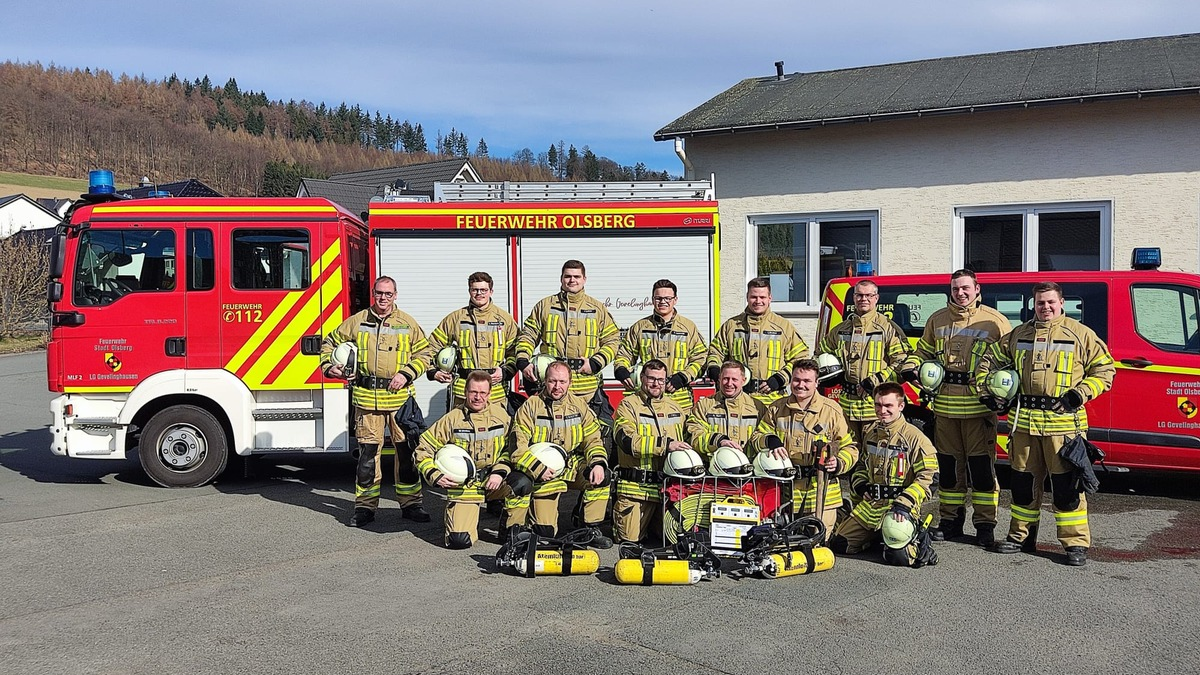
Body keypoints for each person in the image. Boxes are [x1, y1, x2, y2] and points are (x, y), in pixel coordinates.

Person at [977, 282, 1115, 566]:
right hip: (1024, 425)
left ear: (1062, 303)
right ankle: (1020, 536)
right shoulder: (1019, 334)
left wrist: (1080, 394)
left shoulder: (1080, 334)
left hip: (1063, 426)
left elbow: (1105, 370)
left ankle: (1075, 545)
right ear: (1033, 304)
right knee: (1023, 485)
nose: (1046, 307)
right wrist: (990, 393)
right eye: (1040, 303)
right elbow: (988, 361)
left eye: (1051, 302)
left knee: (1067, 489)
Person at [900, 269, 1011, 546]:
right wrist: (912, 368)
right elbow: (922, 350)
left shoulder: (994, 321)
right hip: (945, 408)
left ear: (976, 288)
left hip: (978, 409)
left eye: (965, 288)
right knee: (948, 468)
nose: (960, 293)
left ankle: (985, 525)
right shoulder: (937, 319)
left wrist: (1002, 394)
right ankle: (950, 521)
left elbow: (1008, 361)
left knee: (982, 470)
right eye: (955, 289)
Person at [321, 276, 432, 527]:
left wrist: (406, 373)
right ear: (373, 293)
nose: (383, 298)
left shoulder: (406, 323)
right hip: (366, 400)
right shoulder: (358, 321)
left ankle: (412, 504)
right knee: (368, 459)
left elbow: (426, 353)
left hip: (399, 400)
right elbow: (328, 343)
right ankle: (365, 508)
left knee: (407, 455)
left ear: (396, 295)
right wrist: (331, 367)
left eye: (388, 294)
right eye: (379, 293)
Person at [506, 361, 612, 548]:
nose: (557, 387)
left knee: (601, 477)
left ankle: (590, 527)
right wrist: (537, 469)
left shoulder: (579, 406)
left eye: (562, 382)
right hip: (543, 471)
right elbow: (517, 447)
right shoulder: (531, 407)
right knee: (545, 533)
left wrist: (597, 463)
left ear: (570, 382)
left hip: (572, 465)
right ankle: (519, 523)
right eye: (553, 381)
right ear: (545, 381)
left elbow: (593, 439)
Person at [830, 383, 938, 566]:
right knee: (840, 544)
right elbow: (862, 467)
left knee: (898, 558)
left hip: (899, 508)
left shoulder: (915, 438)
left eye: (888, 406)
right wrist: (861, 485)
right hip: (872, 506)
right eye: (878, 405)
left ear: (901, 406)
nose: (883, 410)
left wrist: (904, 504)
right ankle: (876, 536)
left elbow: (930, 478)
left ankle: (916, 541)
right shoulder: (871, 434)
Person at [753, 359, 858, 538]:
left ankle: (838, 516)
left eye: (807, 381)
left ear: (817, 383)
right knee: (781, 543)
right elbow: (757, 437)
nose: (800, 385)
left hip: (821, 495)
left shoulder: (832, 411)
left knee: (816, 542)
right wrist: (771, 440)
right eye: (796, 380)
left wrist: (838, 463)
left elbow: (850, 447)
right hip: (785, 493)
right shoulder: (777, 408)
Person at [413, 371, 511, 548]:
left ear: (489, 394)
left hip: (494, 480)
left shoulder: (502, 416)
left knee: (521, 484)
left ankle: (510, 526)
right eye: (473, 392)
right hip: (466, 485)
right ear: (465, 392)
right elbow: (422, 449)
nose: (477, 397)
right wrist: (435, 474)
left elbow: (511, 449)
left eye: (482, 393)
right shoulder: (452, 419)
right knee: (459, 541)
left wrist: (499, 472)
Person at [515, 260, 620, 424]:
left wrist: (596, 362)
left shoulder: (597, 309)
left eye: (577, 276)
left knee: (596, 437)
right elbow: (528, 334)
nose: (572, 280)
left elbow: (613, 340)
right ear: (561, 278)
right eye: (568, 276)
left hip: (587, 390)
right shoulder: (545, 306)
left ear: (584, 279)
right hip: (552, 389)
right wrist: (522, 360)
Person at [817, 279, 911, 447]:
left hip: (874, 408)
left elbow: (901, 363)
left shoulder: (888, 328)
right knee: (846, 451)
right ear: (853, 298)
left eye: (868, 295)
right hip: (846, 407)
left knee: (873, 454)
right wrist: (828, 373)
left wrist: (875, 381)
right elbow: (819, 354)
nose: (863, 299)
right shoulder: (841, 329)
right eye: (859, 295)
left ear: (876, 298)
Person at [612, 359, 690, 544]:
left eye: (661, 380)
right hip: (637, 489)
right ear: (642, 378)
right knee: (628, 539)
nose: (656, 384)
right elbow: (627, 441)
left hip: (667, 490)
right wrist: (665, 445)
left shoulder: (675, 407)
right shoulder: (628, 405)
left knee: (673, 539)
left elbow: (690, 434)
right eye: (651, 379)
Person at [705, 277, 809, 405]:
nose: (758, 301)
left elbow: (800, 358)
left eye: (762, 297)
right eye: (754, 297)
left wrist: (780, 378)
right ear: (747, 297)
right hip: (737, 399)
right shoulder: (732, 326)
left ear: (770, 298)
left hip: (772, 400)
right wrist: (715, 370)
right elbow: (715, 352)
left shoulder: (783, 327)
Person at [427, 272, 519, 409]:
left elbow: (516, 352)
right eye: (475, 290)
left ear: (491, 291)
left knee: (497, 430)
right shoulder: (455, 319)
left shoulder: (504, 320)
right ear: (469, 291)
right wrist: (433, 371)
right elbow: (430, 347)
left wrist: (506, 371)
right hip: (463, 394)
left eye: (483, 290)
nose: (479, 293)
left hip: (495, 394)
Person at [613, 279, 707, 414]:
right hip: (645, 402)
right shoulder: (640, 327)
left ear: (675, 300)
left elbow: (701, 359)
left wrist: (683, 377)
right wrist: (621, 369)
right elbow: (624, 354)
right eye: (658, 298)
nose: (663, 302)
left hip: (679, 402)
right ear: (652, 299)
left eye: (668, 298)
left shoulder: (688, 328)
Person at [686, 361, 766, 459]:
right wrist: (718, 441)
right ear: (719, 379)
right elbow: (695, 438)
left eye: (734, 379)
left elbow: (764, 434)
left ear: (743, 380)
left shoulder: (757, 407)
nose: (729, 383)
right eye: (725, 379)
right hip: (714, 469)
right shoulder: (704, 406)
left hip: (749, 469)